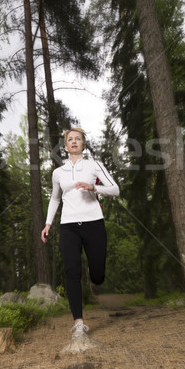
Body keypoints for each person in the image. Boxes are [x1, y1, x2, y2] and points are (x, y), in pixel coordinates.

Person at [41, 128, 119, 340]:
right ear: (65, 146)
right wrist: (48, 223)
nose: (74, 142)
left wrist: (94, 188)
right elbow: (55, 199)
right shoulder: (58, 173)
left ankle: (96, 280)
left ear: (84, 144)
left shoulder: (94, 165)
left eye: (78, 139)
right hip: (68, 226)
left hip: (94, 223)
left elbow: (115, 189)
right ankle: (78, 323)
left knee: (98, 274)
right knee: (72, 271)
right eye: (70, 139)